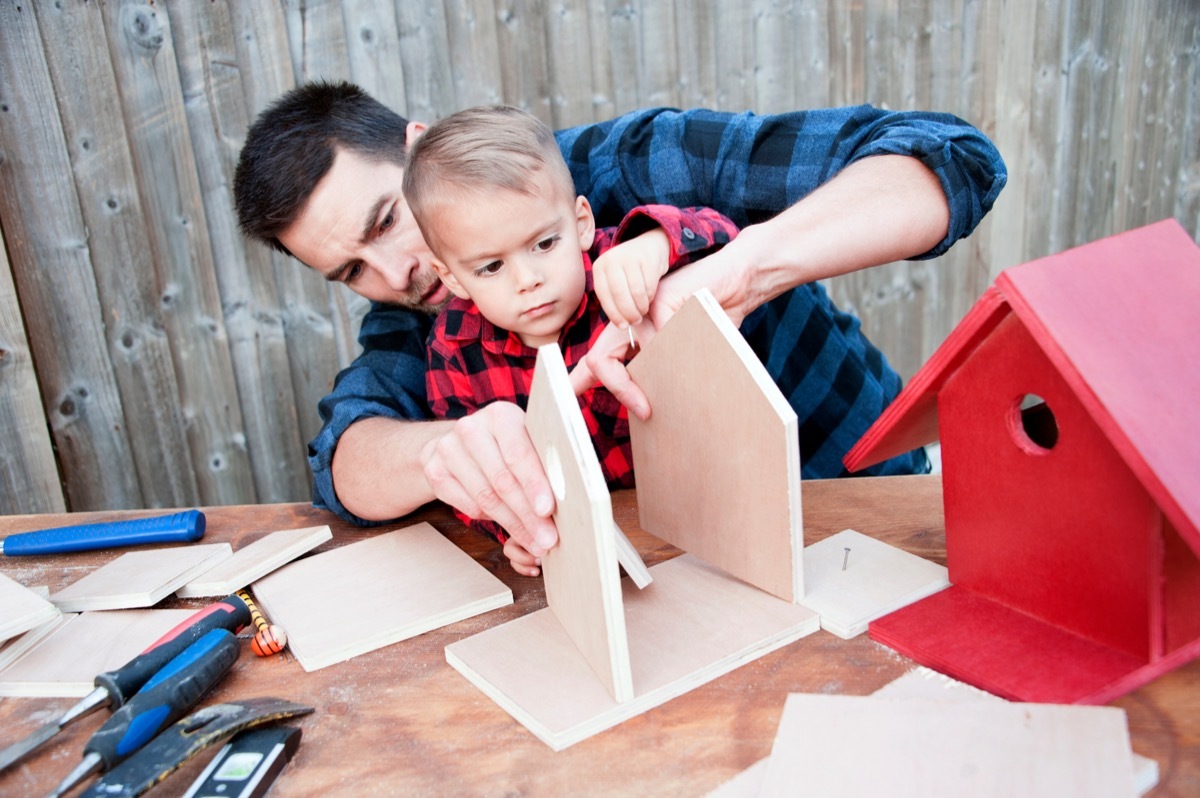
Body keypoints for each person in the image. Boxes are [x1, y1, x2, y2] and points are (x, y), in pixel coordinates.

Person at [233, 81, 1006, 563]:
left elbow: (953, 157)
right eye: (351, 272)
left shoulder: (633, 164)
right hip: (695, 564)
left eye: (384, 221)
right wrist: (446, 451)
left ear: (421, 148)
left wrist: (743, 268)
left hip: (864, 497)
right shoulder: (426, 308)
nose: (394, 272)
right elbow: (343, 453)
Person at [403, 104, 739, 575]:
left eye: (544, 244)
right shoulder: (454, 349)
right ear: (453, 278)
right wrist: (513, 533)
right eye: (491, 267)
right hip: (584, 547)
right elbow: (474, 470)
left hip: (705, 509)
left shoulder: (618, 266)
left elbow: (727, 242)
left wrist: (658, 244)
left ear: (581, 223)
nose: (528, 279)